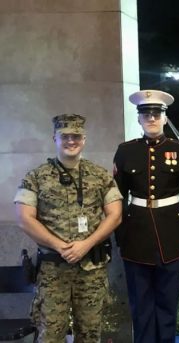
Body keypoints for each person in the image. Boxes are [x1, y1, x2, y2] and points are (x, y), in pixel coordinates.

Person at [113, 90, 179, 343]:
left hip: (171, 235)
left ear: (165, 118)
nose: (151, 119)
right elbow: (115, 198)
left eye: (157, 114)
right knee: (141, 305)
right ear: (139, 119)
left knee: (167, 305)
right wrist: (121, 233)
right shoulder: (125, 152)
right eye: (146, 114)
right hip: (135, 236)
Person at [14, 114, 122, 342]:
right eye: (65, 136)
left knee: (90, 334)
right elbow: (24, 218)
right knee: (50, 335)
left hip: (91, 269)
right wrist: (60, 246)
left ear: (84, 139)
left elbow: (115, 215)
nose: (70, 141)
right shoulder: (36, 176)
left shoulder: (100, 175)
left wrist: (86, 244)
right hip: (53, 270)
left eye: (76, 136)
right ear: (54, 137)